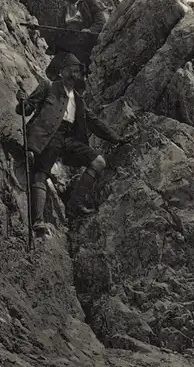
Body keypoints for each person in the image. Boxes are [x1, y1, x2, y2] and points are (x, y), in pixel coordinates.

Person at [16, 54, 131, 236]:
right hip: (47, 136)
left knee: (98, 162)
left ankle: (73, 206)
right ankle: (37, 221)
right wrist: (22, 100)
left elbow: (94, 122)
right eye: (72, 70)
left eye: (77, 71)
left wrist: (117, 139)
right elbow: (26, 109)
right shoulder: (47, 86)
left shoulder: (79, 100)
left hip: (68, 139)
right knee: (40, 172)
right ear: (61, 72)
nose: (75, 74)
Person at [45, 0, 107, 85]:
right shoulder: (64, 10)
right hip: (67, 47)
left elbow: (100, 20)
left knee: (78, 78)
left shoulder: (88, 2)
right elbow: (59, 30)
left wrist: (90, 30)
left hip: (84, 46)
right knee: (50, 72)